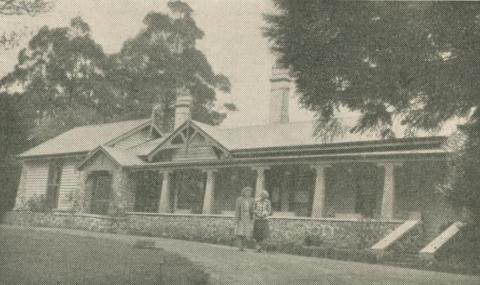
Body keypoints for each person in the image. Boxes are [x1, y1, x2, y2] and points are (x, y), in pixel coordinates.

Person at [234, 187, 254, 251]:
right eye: (247, 192)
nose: (249, 193)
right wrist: (236, 218)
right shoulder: (239, 199)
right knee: (239, 233)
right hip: (241, 218)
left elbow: (253, 209)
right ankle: (240, 247)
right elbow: (237, 209)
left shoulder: (252, 200)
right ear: (244, 192)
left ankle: (243, 247)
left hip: (248, 217)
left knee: (246, 233)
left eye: (250, 192)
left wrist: (253, 217)